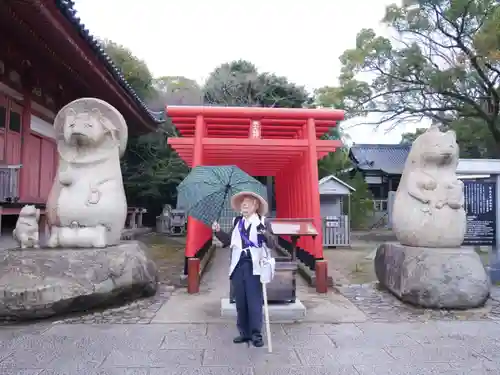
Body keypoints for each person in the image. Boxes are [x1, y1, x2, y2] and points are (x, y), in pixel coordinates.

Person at [212, 191, 275, 347]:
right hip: (238, 265)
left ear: (256, 206)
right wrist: (218, 231)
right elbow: (227, 241)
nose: (244, 205)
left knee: (254, 301)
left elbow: (273, 243)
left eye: (248, 202)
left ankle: (256, 334)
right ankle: (244, 333)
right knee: (240, 301)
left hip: (254, 265)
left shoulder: (263, 221)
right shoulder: (237, 222)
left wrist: (263, 232)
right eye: (243, 203)